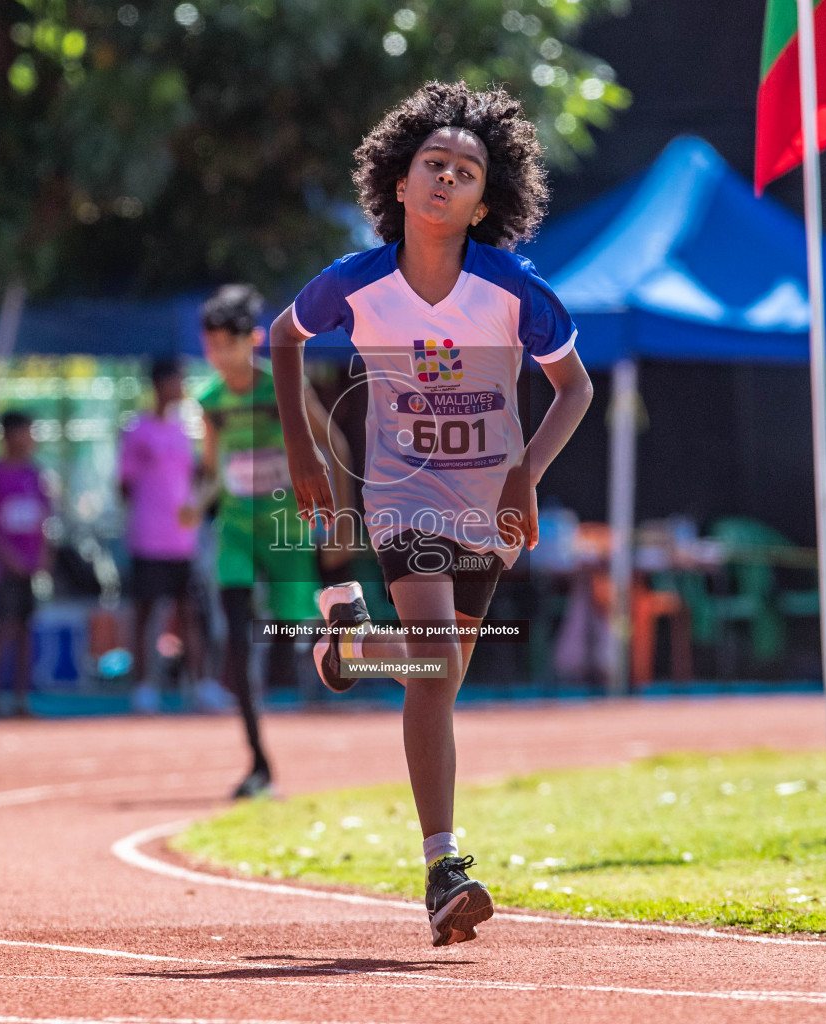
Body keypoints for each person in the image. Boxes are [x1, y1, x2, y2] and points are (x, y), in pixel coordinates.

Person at [271, 82, 594, 946]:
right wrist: (303, 451)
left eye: (466, 171)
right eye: (432, 164)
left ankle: (344, 644)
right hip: (403, 493)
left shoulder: (513, 288)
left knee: (436, 677)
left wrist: (525, 473)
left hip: (489, 502)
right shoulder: (361, 281)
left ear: (487, 201)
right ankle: (445, 866)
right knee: (433, 661)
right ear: (400, 182)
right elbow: (283, 336)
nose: (446, 178)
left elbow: (575, 386)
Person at [196, 284, 350, 799]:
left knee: (298, 633)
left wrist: (342, 524)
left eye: (229, 343)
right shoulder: (211, 403)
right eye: (212, 344)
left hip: (286, 531)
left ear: (254, 340)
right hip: (236, 533)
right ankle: (259, 760)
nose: (220, 354)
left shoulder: (280, 387)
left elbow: (335, 442)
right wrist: (194, 501)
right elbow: (212, 473)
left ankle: (336, 676)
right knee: (237, 642)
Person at [119, 357, 207, 713]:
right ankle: (143, 687)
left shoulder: (184, 430)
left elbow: (195, 480)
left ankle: (200, 685)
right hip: (147, 539)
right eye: (176, 380)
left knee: (189, 613)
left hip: (183, 542)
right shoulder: (136, 430)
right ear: (159, 384)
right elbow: (123, 485)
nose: (182, 387)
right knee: (144, 613)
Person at [0, 409, 50, 717]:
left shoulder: (34, 474)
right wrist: (8, 558)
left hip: (29, 568)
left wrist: (43, 555)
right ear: (9, 435)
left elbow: (44, 519)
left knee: (25, 630)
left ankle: (21, 698)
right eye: (25, 432)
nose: (30, 440)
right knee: (4, 627)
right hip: (5, 569)